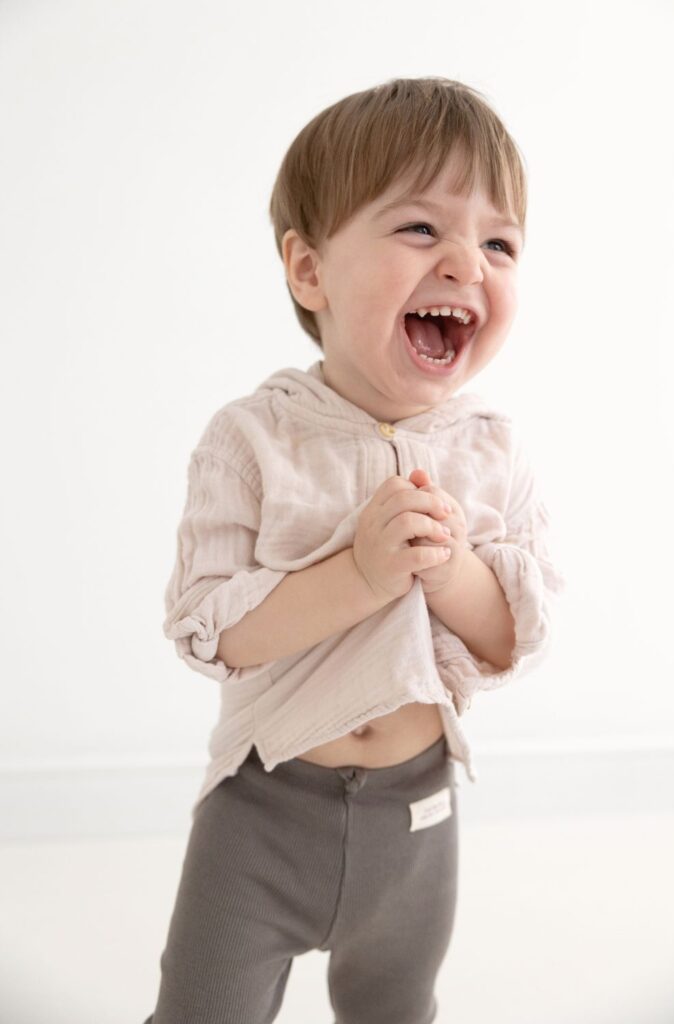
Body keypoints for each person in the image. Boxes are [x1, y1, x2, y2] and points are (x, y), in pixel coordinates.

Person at [143, 76, 566, 1024]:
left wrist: (450, 571)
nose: (466, 261)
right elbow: (213, 635)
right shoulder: (251, 438)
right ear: (308, 270)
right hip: (262, 815)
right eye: (420, 229)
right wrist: (360, 575)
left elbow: (510, 638)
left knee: (396, 1006)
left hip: (416, 821)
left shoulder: (492, 449)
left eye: (498, 242)